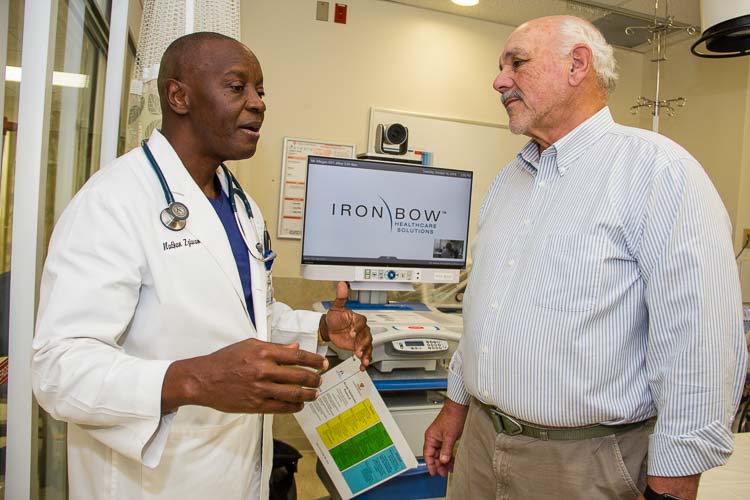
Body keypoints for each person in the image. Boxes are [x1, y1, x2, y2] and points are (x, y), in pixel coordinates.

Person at [31, 32, 372, 499]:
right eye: (238, 87)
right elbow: (57, 369)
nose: (258, 104)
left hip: (236, 469)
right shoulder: (113, 202)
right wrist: (192, 379)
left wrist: (319, 327)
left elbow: (246, 318)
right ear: (179, 96)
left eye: (261, 90)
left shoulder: (241, 206)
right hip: (153, 481)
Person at [423, 15, 747, 500]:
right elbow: (483, 317)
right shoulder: (509, 181)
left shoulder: (659, 173)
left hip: (585, 461)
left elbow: (700, 344)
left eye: (517, 62)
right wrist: (456, 405)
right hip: (481, 446)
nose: (499, 79)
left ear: (578, 65)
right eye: (500, 66)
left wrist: (674, 483)